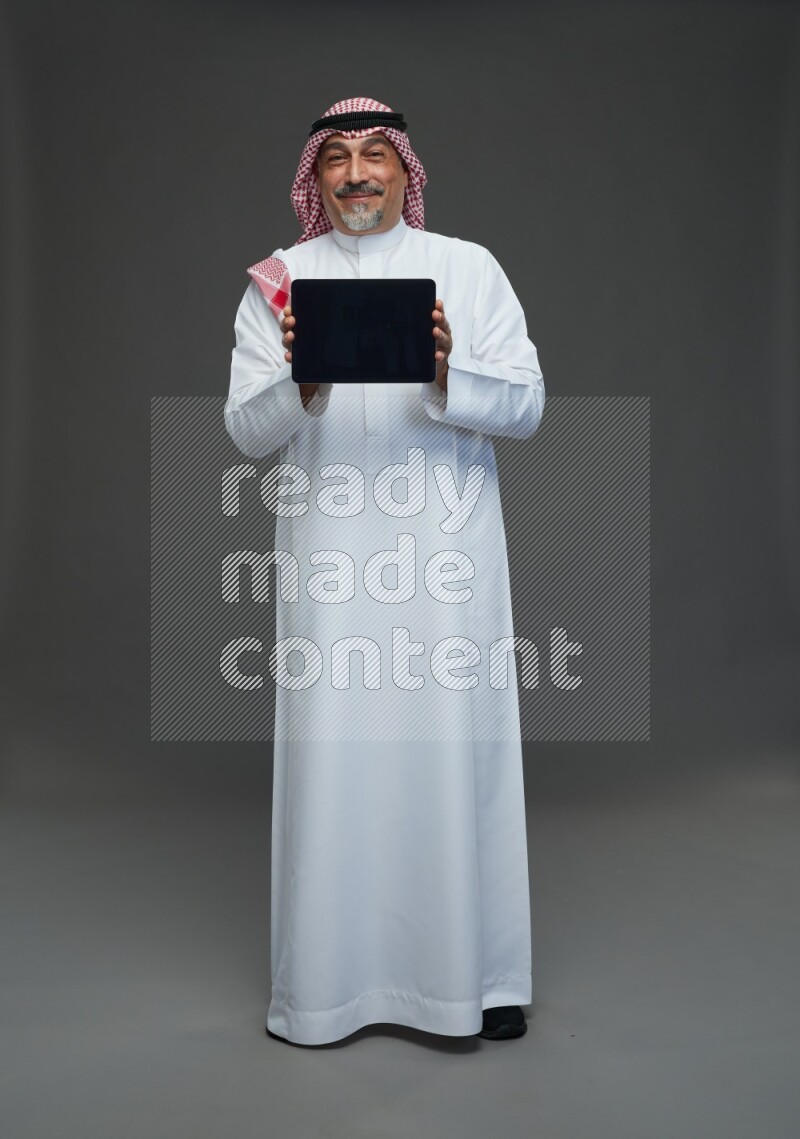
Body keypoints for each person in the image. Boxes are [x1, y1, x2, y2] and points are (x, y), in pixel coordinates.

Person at [224, 97, 545, 1046]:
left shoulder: (468, 268)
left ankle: (480, 976)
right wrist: (301, 386)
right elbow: (244, 432)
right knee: (336, 761)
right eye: (338, 159)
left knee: (458, 752)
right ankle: (330, 986)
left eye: (376, 155)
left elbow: (527, 405)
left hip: (444, 562)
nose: (359, 173)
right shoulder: (278, 285)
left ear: (407, 169)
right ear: (314, 179)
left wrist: (451, 375)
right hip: (328, 562)